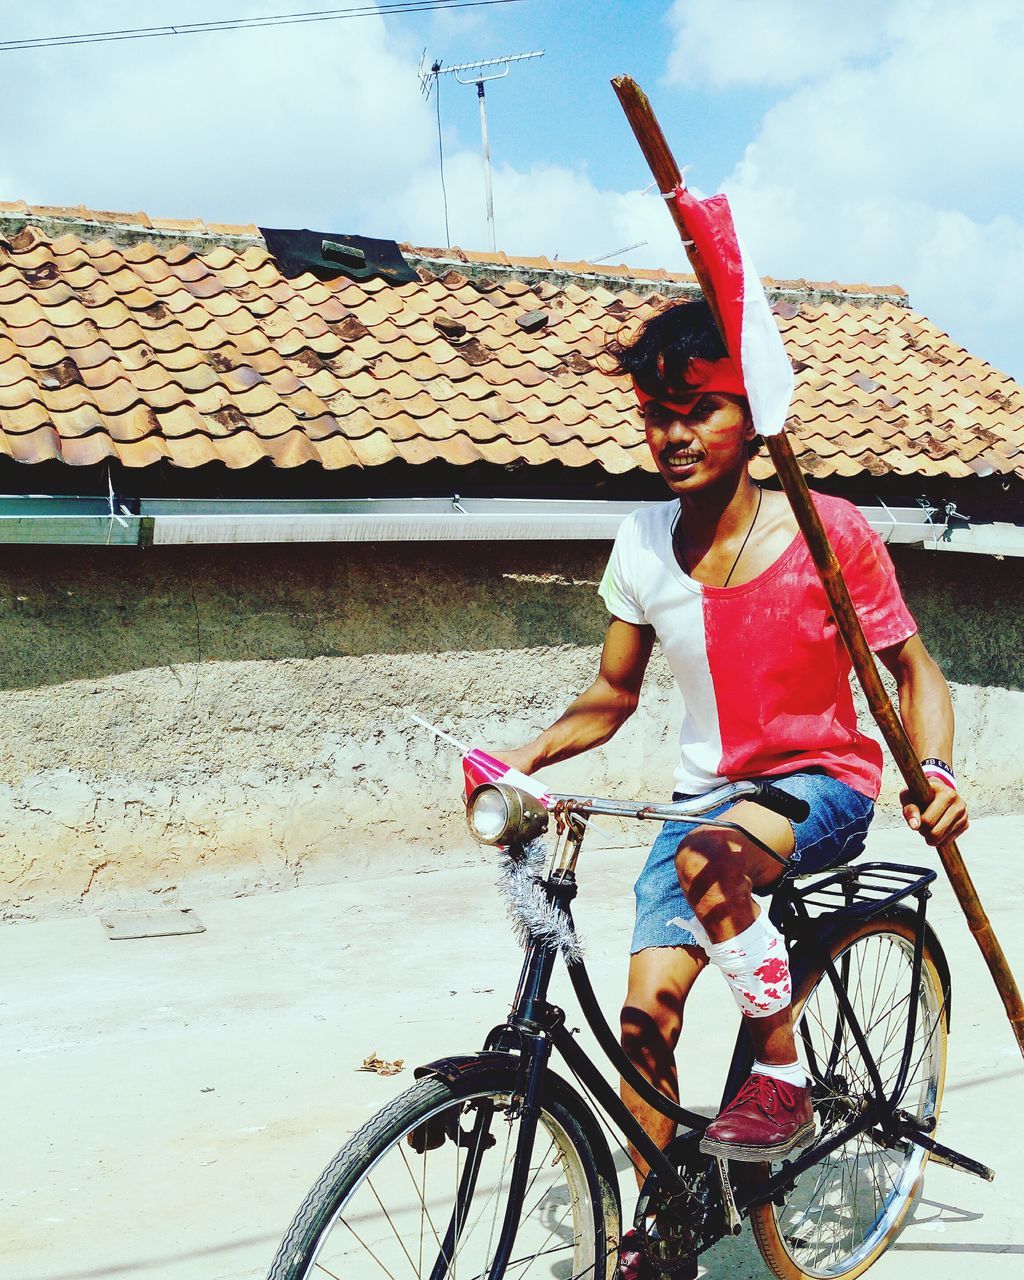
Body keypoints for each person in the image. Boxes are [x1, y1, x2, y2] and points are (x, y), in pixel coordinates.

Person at [496, 298, 968, 1184]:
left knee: (711, 859)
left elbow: (917, 673)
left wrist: (934, 769)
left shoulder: (828, 533)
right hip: (705, 805)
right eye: (657, 415)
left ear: (751, 417)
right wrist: (521, 760)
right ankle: (654, 1223)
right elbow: (612, 693)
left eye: (700, 410)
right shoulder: (640, 542)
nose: (675, 434)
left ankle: (781, 1073)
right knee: (644, 1021)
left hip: (821, 784)